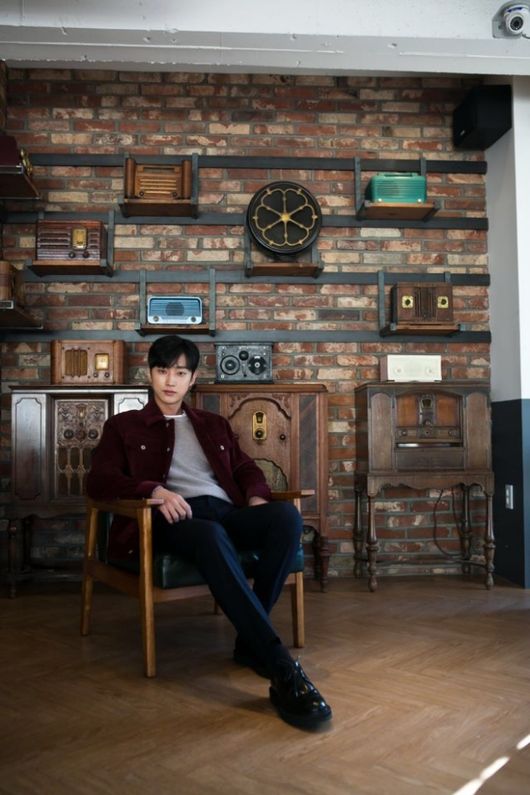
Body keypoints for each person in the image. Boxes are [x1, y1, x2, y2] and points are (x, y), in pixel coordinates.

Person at [86, 335, 332, 729]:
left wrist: (256, 497)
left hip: (225, 511)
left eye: (180, 372)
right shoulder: (124, 426)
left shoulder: (212, 424)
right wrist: (153, 490)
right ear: (150, 374)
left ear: (192, 378)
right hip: (172, 520)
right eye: (162, 371)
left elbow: (245, 468)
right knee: (209, 536)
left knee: (286, 518)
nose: (170, 380)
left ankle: (249, 642)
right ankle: (280, 666)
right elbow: (99, 481)